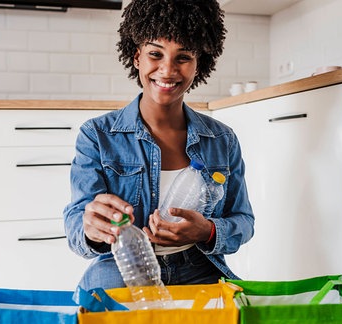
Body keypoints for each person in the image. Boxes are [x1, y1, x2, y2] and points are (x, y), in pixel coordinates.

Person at [63, 0, 254, 290]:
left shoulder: (222, 140)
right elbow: (77, 220)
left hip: (198, 267)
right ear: (137, 56)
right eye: (156, 54)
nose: (167, 70)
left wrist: (207, 231)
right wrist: (91, 229)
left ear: (199, 62)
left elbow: (243, 220)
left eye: (183, 57)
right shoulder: (97, 135)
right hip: (122, 266)